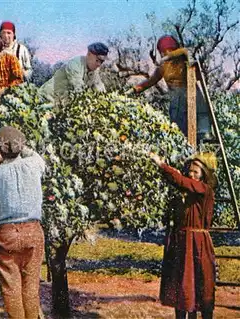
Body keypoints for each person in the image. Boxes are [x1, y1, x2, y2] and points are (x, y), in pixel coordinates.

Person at [0, 126, 46, 319]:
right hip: (33, 230)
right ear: (21, 146)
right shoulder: (34, 164)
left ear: (0, 149)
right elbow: (36, 157)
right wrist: (21, 147)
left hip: (6, 234)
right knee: (31, 288)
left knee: (11, 287)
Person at [149, 151, 217, 319]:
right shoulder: (191, 189)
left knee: (197, 283)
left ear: (203, 175)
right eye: (190, 171)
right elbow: (179, 181)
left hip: (197, 243)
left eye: (196, 172)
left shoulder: (204, 189)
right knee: (182, 284)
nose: (191, 174)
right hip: (184, 243)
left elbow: (181, 181)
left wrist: (161, 164)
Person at [133, 35, 212, 140]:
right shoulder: (164, 66)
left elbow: (186, 53)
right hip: (178, 104)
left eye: (169, 51)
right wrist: (135, 89)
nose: (166, 53)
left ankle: (203, 134)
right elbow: (150, 81)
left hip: (192, 99)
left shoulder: (184, 60)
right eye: (165, 52)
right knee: (182, 134)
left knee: (198, 129)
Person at [40, 42, 109, 103]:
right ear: (89, 54)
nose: (99, 64)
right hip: (46, 97)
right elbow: (79, 88)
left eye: (102, 62)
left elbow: (99, 87)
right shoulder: (75, 64)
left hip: (59, 102)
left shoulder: (94, 70)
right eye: (97, 60)